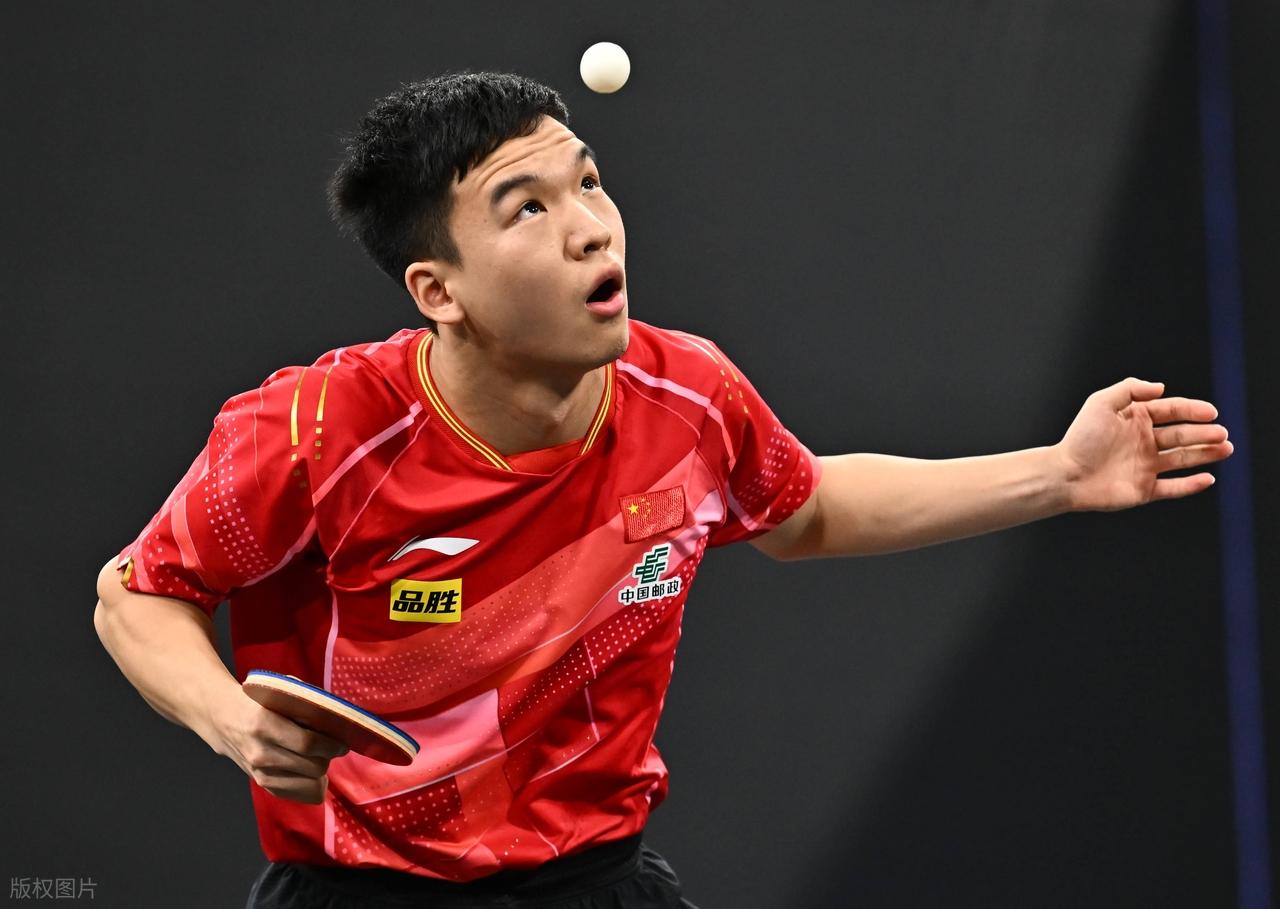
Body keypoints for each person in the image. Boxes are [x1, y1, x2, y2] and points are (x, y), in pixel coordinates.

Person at [93, 72, 1233, 909]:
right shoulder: (317, 431)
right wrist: (233, 721)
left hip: (597, 879)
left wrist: (1060, 472)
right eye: (527, 208)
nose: (592, 227)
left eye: (587, 182)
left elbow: (807, 512)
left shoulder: (685, 395)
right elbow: (135, 594)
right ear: (438, 291)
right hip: (364, 887)